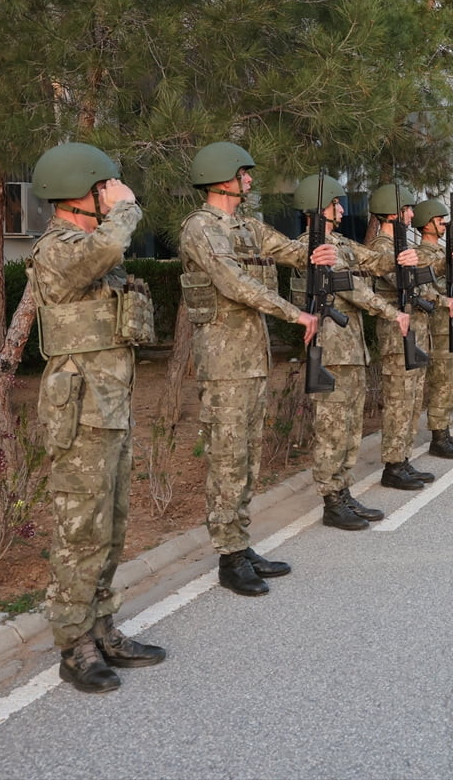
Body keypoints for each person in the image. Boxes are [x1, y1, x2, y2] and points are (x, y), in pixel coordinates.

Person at [28, 142, 165, 693]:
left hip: (109, 406)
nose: (111, 194)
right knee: (79, 529)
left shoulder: (90, 245)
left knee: (110, 525)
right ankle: (74, 644)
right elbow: (104, 252)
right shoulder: (57, 248)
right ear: (79, 190)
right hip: (80, 411)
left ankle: (102, 626)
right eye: (103, 187)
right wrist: (126, 210)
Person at [178, 142, 336, 596]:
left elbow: (286, 250)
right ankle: (229, 556)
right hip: (224, 364)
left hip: (251, 361)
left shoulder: (246, 225)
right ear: (222, 178)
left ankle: (241, 544)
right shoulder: (202, 229)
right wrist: (296, 313)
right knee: (228, 458)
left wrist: (315, 251)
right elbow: (234, 283)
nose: (249, 181)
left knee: (247, 457)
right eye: (243, 174)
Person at [291, 176, 409, 530]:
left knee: (350, 424)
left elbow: (374, 263)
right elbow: (353, 289)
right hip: (330, 349)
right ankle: (331, 498)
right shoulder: (311, 249)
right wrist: (392, 312)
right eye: (336, 204)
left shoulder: (340, 243)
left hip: (351, 348)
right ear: (318, 207)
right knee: (332, 426)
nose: (341, 209)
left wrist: (400, 257)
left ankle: (343, 491)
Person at [358, 184, 440, 490]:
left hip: (415, 330)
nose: (410, 214)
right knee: (398, 401)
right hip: (397, 334)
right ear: (392, 214)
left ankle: (403, 459)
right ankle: (393, 465)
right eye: (406, 210)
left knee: (412, 399)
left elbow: (422, 286)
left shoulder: (404, 248)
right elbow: (398, 280)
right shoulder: (382, 247)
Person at [416, 198, 453, 459]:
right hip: (438, 324)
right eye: (439, 220)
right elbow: (424, 290)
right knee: (441, 381)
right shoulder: (422, 254)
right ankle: (438, 435)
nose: (443, 224)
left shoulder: (442, 251)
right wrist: (443, 300)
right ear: (426, 223)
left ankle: (446, 431)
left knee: (451, 380)